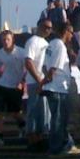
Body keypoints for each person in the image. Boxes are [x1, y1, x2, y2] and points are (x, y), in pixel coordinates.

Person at [41, 22, 80, 156]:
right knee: (58, 119)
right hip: (58, 87)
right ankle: (55, 147)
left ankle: (66, 143)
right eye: (71, 33)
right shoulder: (60, 46)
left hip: (53, 86)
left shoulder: (51, 44)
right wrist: (48, 79)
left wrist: (44, 81)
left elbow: (44, 66)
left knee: (58, 118)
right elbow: (53, 67)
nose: (72, 36)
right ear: (66, 31)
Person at [0, 30, 26, 147]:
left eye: (8, 39)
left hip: (16, 87)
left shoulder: (21, 53)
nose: (6, 42)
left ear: (12, 40)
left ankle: (23, 125)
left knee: (15, 112)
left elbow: (27, 69)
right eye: (4, 40)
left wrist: (22, 82)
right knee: (0, 112)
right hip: (3, 85)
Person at [21, 18, 52, 149]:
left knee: (43, 112)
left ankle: (40, 139)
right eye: (45, 26)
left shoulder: (46, 43)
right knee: (34, 111)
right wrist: (39, 80)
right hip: (35, 82)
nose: (47, 29)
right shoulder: (32, 42)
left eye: (50, 28)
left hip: (43, 83)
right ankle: (32, 139)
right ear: (39, 26)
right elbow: (28, 62)